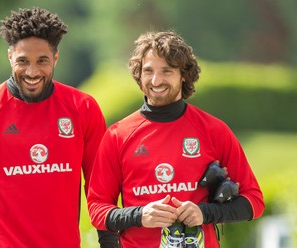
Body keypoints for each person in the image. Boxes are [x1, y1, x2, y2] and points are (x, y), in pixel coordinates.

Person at [0, 7, 117, 248]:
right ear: (10, 57)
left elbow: (100, 190)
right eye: (23, 61)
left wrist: (110, 243)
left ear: (55, 58)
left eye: (42, 61)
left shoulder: (83, 109)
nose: (32, 72)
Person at [87, 31, 265, 248]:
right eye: (148, 71)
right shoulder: (117, 135)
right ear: (139, 75)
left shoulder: (214, 131)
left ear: (183, 74)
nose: (156, 80)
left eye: (166, 71)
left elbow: (254, 201)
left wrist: (205, 212)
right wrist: (140, 215)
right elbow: (97, 209)